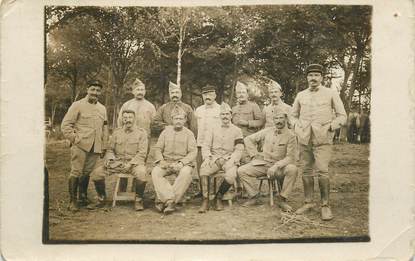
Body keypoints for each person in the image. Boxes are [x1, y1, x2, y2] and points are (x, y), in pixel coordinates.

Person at [292, 64, 346, 221]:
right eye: (310, 75)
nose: (313, 78)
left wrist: (330, 126)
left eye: (316, 75)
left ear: (322, 77)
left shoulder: (331, 94)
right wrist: (296, 125)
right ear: (307, 77)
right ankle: (308, 202)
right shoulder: (300, 95)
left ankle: (325, 205)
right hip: (304, 138)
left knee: (322, 171)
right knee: (306, 171)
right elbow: (292, 115)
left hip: (323, 139)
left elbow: (342, 116)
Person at [61, 80, 109, 211]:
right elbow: (65, 125)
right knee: (76, 171)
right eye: (92, 89)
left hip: (95, 146)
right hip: (81, 145)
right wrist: (75, 139)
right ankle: (73, 201)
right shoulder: (77, 105)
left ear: (100, 92)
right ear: (87, 89)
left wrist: (104, 145)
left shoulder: (102, 108)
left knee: (87, 172)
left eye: (98, 90)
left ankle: (82, 197)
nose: (95, 92)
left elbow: (105, 127)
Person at [237, 111, 298, 212]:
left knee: (293, 169)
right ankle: (254, 196)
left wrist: (276, 166)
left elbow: (290, 157)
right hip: (264, 164)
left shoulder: (291, 136)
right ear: (273, 120)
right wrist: (254, 155)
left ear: (286, 119)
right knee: (241, 170)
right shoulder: (268, 131)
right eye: (276, 118)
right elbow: (248, 139)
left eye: (281, 118)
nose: (278, 121)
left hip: (280, 167)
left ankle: (282, 199)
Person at [91, 110, 148, 210]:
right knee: (97, 174)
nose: (127, 120)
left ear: (134, 119)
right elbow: (110, 149)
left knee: (142, 173)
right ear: (122, 119)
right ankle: (102, 198)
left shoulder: (141, 133)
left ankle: (138, 200)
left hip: (134, 163)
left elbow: (142, 153)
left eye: (130, 117)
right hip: (118, 163)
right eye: (125, 118)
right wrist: (110, 159)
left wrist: (130, 164)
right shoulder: (117, 132)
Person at [151, 106, 197, 215]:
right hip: (166, 162)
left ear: (185, 120)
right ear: (172, 120)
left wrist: (182, 163)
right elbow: (158, 148)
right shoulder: (165, 132)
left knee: (186, 173)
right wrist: (161, 161)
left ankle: (166, 201)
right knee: (156, 172)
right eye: (176, 119)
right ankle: (170, 200)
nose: (178, 121)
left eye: (181, 119)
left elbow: (193, 152)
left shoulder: (189, 134)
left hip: (182, 163)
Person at [198, 103, 244, 213]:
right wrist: (207, 158)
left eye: (227, 114)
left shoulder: (237, 130)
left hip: (229, 158)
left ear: (231, 115)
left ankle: (219, 196)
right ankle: (206, 200)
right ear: (219, 116)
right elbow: (206, 145)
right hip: (214, 158)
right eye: (222, 114)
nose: (225, 116)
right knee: (203, 170)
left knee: (231, 176)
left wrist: (232, 160)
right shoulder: (212, 129)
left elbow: (239, 149)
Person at [194, 84, 222, 196]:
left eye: (210, 94)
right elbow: (195, 127)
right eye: (205, 94)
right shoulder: (199, 110)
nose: (207, 97)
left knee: (214, 167)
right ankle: (202, 191)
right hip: (200, 143)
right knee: (200, 167)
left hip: (214, 145)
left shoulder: (220, 109)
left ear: (215, 95)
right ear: (202, 96)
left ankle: (216, 192)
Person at [232, 81, 265, 166]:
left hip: (248, 140)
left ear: (247, 94)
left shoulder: (254, 106)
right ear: (236, 95)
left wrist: (247, 123)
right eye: (239, 93)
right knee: (235, 163)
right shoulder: (234, 108)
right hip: (235, 141)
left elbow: (261, 122)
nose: (241, 94)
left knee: (247, 163)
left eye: (243, 92)